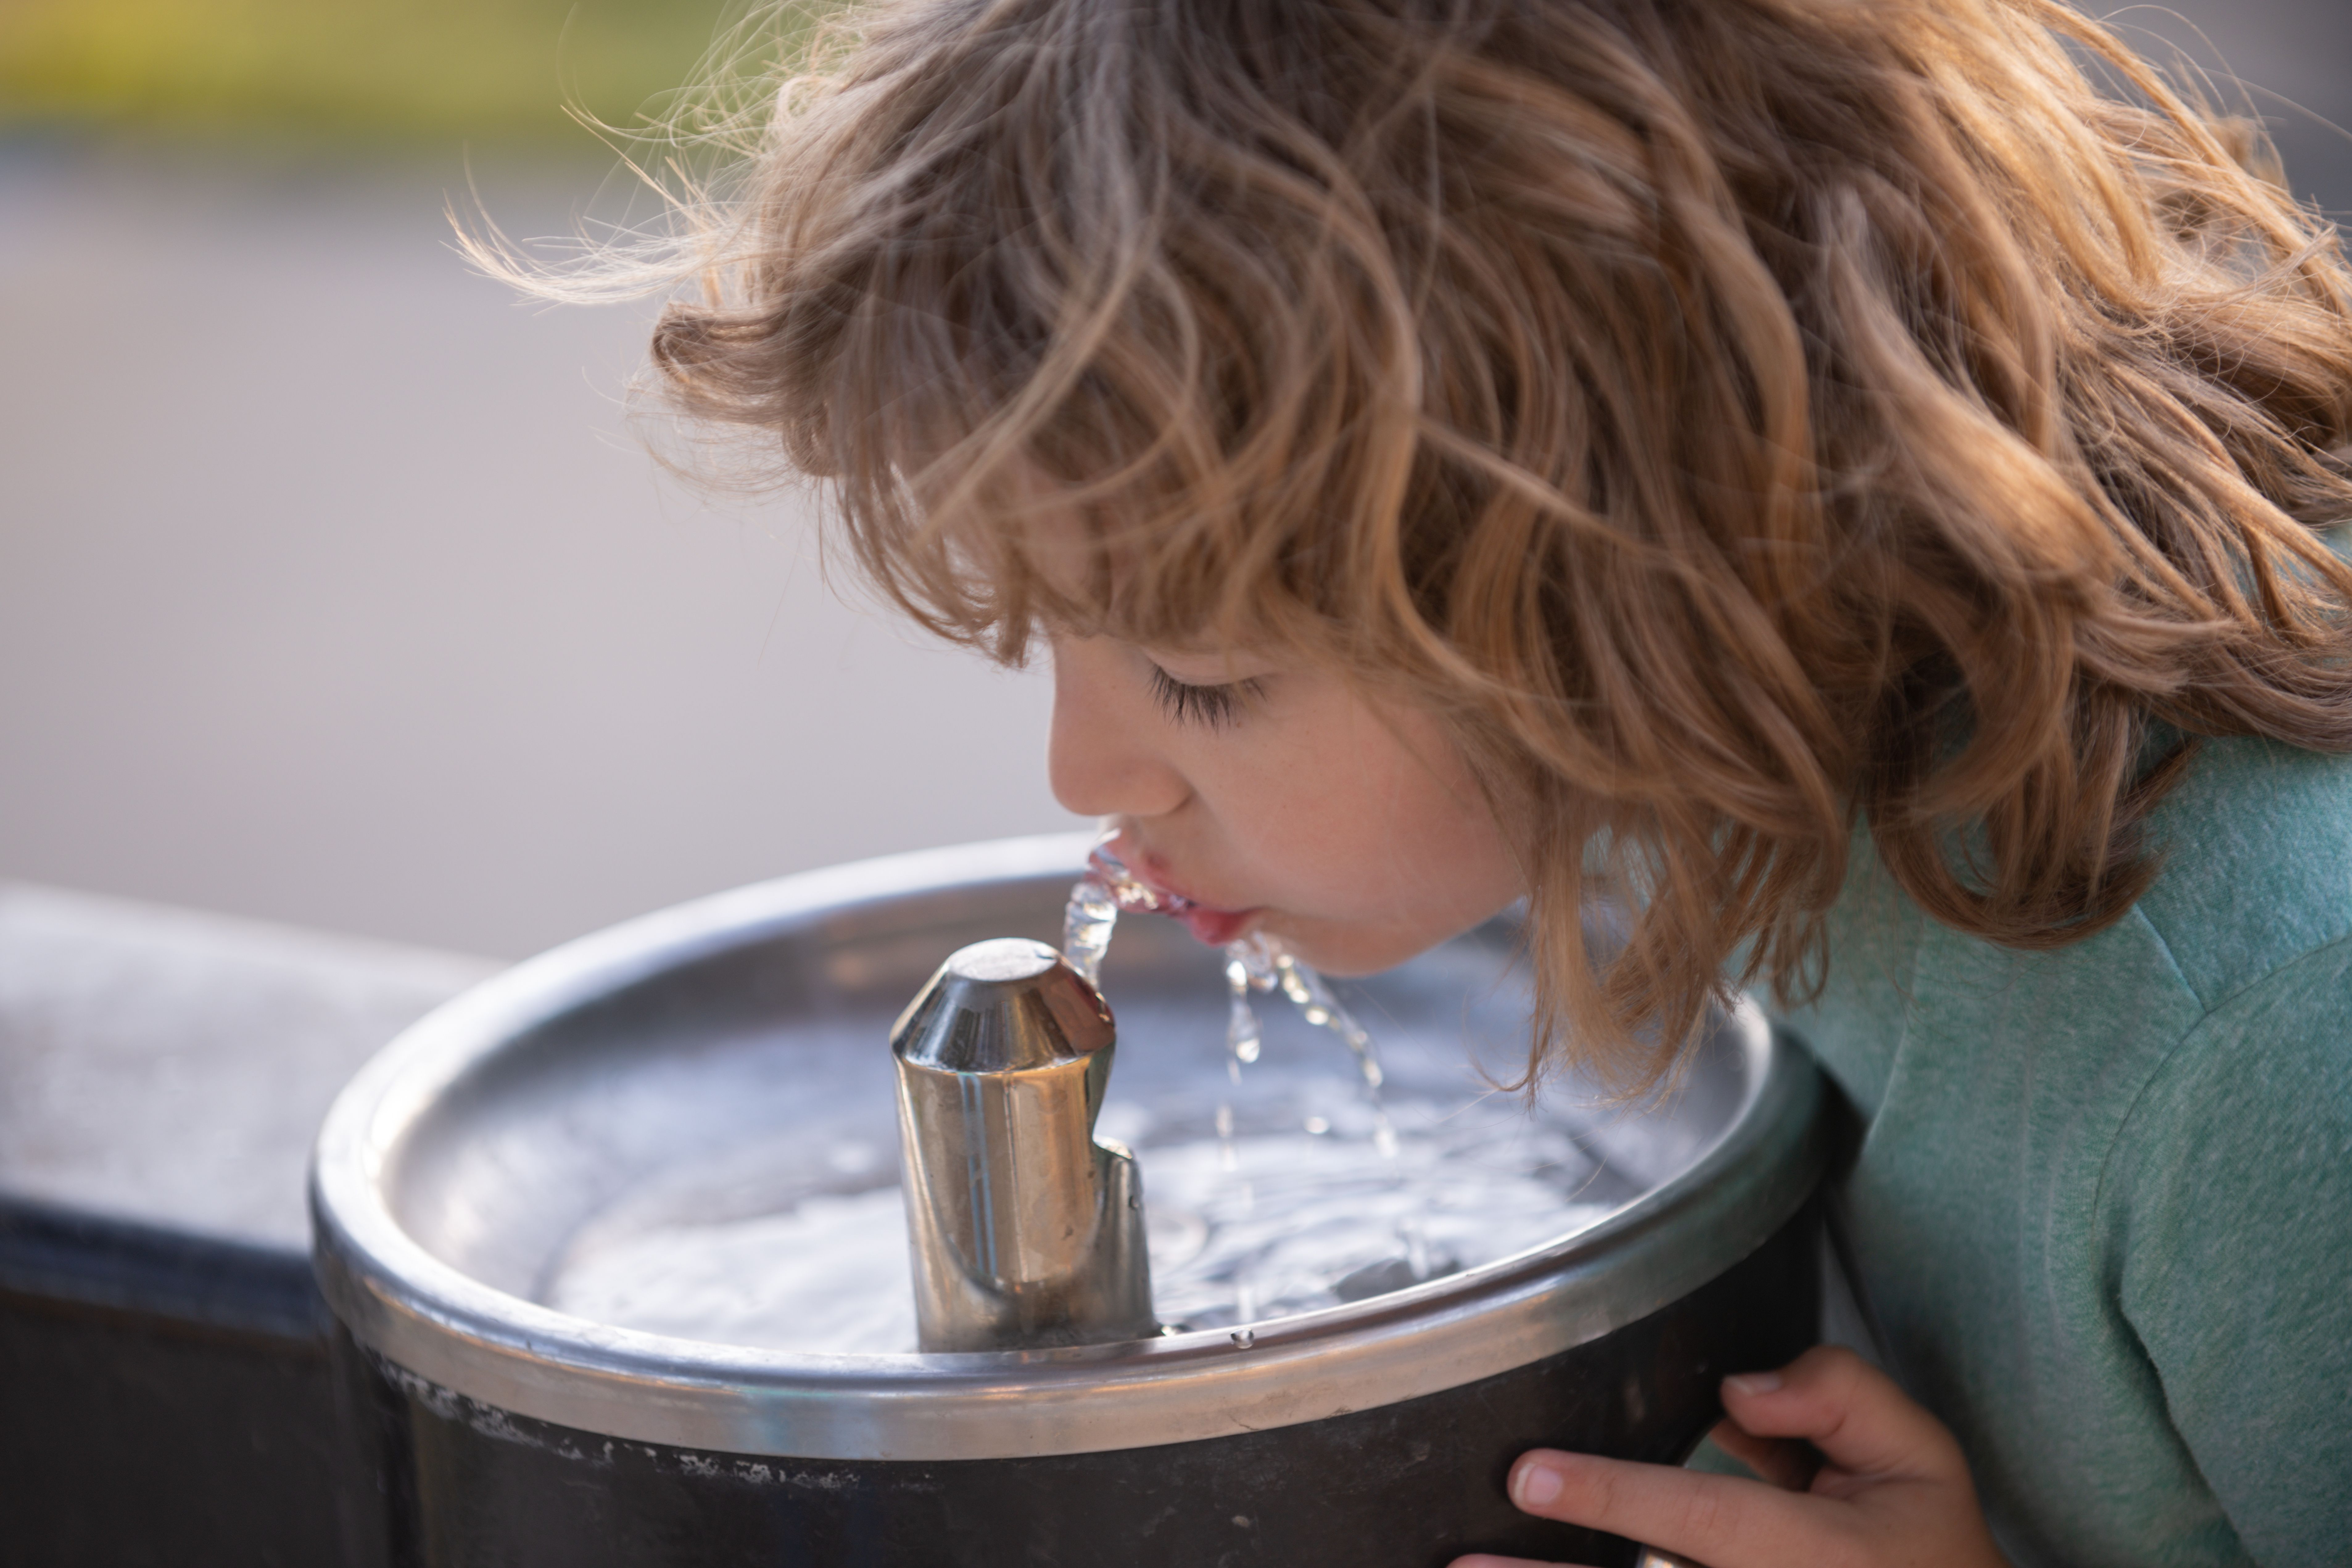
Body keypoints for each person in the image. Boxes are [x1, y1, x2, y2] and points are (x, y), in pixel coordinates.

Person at [508, 0, 2352, 1559]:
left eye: (1204, 679)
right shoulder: (1706, 759)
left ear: (1638, 562)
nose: (1084, 771)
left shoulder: (2274, 1055)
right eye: (1050, 643)